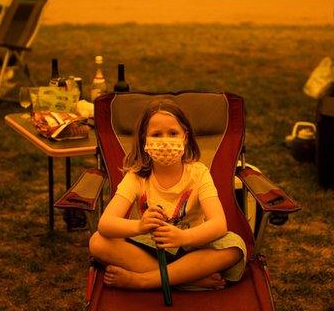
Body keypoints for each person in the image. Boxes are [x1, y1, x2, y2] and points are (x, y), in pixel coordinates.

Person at [89, 99, 247, 291]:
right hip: (151, 247)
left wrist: (183, 237)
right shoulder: (137, 176)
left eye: (173, 133)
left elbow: (219, 224)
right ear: (144, 140)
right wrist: (139, 226)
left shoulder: (199, 173)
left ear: (185, 136)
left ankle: (144, 281)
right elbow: (105, 224)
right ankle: (190, 280)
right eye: (156, 134)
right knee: (97, 242)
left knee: (235, 247)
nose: (165, 140)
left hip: (191, 247)